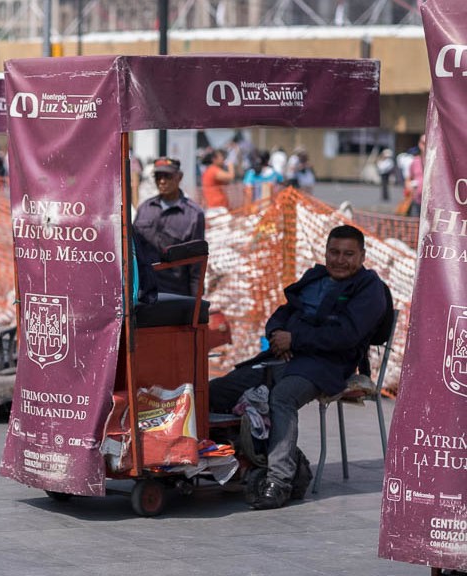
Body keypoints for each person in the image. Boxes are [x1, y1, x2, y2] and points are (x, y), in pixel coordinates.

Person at [209, 225, 389, 510]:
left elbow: (346, 335)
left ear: (362, 256)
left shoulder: (370, 288)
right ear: (326, 252)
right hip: (280, 358)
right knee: (215, 392)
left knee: (283, 396)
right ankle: (234, 460)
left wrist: (296, 339)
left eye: (348, 254)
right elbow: (283, 312)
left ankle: (278, 481)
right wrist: (278, 334)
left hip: (325, 366)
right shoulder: (315, 276)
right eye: (334, 252)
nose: (340, 260)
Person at [132, 157, 206, 296]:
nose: (162, 181)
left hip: (176, 295)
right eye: (158, 176)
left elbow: (197, 265)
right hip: (144, 293)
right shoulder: (145, 209)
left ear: (179, 177)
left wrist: (196, 303)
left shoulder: (193, 214)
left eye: (167, 176)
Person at [405, 134, 426, 217]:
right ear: (419, 144)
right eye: (423, 142)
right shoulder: (415, 161)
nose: (425, 145)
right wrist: (409, 187)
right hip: (417, 200)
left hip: (433, 203)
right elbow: (408, 178)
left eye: (427, 142)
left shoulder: (438, 161)